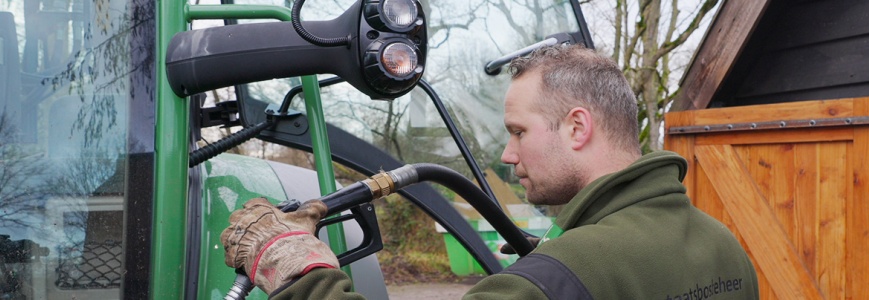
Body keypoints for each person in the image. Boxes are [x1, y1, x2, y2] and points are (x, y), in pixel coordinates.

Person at [221, 44, 759, 299]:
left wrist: (294, 267)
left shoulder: (565, 274)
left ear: (577, 127)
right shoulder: (725, 248)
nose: (506, 153)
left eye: (519, 132)